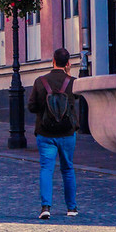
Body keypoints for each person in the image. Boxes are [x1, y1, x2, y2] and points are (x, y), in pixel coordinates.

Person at [28, 47, 79, 220]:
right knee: (68, 168)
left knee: (46, 169)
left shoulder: (40, 81)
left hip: (46, 132)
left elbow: (32, 107)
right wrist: (69, 74)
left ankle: (45, 207)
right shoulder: (72, 82)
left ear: (53, 61)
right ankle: (71, 208)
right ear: (68, 63)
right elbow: (77, 98)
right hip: (67, 133)